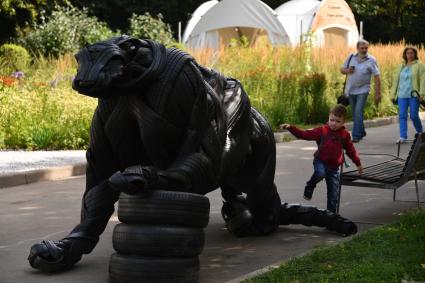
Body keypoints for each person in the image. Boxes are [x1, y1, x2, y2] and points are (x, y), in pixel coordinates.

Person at [27, 36, 358, 273]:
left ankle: (244, 203)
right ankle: (238, 204)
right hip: (192, 134)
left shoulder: (176, 75)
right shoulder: (113, 95)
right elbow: (100, 168)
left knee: (259, 221)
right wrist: (78, 240)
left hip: (238, 133)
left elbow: (206, 160)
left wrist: (158, 177)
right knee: (241, 214)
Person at [280, 104, 363, 213]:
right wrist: (291, 128)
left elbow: (351, 150)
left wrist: (358, 163)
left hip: (334, 168)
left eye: (338, 121)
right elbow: (304, 134)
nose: (334, 123)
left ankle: (331, 218)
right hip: (321, 162)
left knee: (333, 195)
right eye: (332, 120)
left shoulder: (344, 135)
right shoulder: (322, 130)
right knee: (320, 173)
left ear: (343, 122)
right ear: (328, 117)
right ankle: (310, 185)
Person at [340, 39, 381, 143]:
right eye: (362, 48)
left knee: (358, 111)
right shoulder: (351, 57)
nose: (364, 50)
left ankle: (356, 136)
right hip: (350, 90)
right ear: (357, 48)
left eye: (366, 48)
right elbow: (341, 69)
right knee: (355, 113)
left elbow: (377, 76)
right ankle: (361, 131)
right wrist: (347, 70)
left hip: (363, 90)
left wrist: (377, 93)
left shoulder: (372, 60)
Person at [391, 46, 424, 143]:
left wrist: (421, 93)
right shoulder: (401, 66)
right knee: (402, 115)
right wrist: (393, 94)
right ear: (405, 55)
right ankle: (403, 136)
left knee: (414, 115)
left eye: (412, 53)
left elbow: (423, 80)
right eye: (408, 53)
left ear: (415, 54)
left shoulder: (419, 65)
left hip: (414, 95)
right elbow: (396, 80)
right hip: (401, 94)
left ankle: (420, 133)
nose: (410, 55)